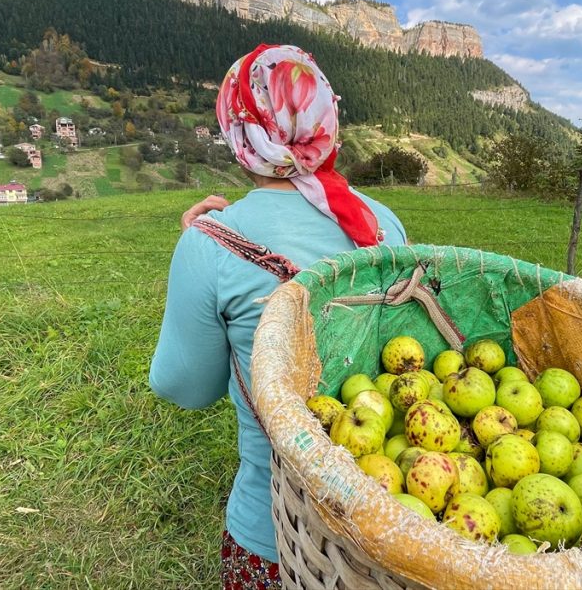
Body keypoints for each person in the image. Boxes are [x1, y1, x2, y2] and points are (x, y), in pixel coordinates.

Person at [149, 44, 407, 589]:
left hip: (278, 534)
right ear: (324, 120)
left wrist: (199, 249)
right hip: (390, 524)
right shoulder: (384, 224)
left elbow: (184, 388)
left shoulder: (214, 245)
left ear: (241, 136)